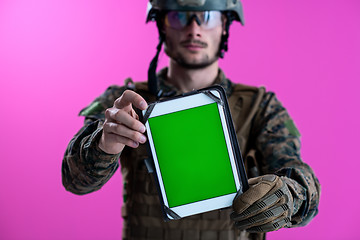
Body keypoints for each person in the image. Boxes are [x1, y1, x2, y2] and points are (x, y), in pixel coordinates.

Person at [62, 0, 321, 239]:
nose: (194, 29)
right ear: (162, 25)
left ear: (224, 27)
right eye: (179, 16)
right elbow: (74, 180)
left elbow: (301, 179)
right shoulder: (126, 102)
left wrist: (288, 194)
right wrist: (103, 143)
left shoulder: (260, 107)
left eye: (207, 17)